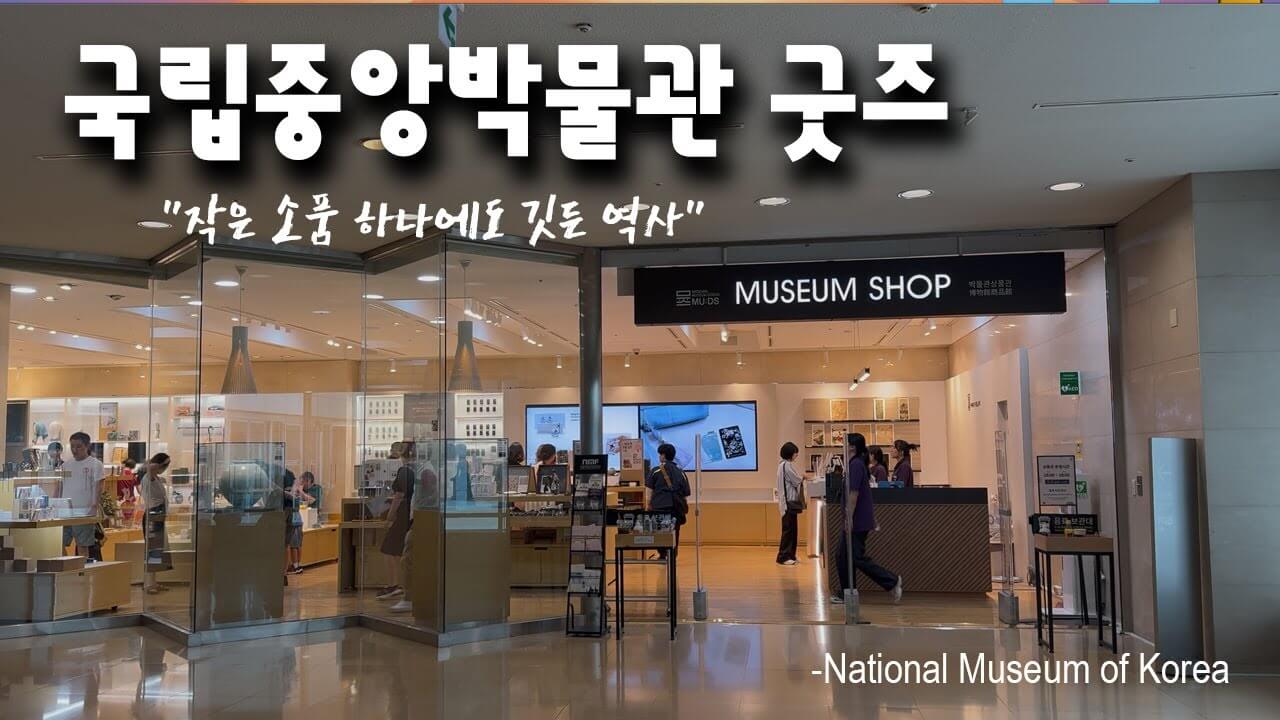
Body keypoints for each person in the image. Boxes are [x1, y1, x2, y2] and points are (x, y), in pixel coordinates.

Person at [834, 433, 903, 604]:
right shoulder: (854, 464)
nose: (843, 446)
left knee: (855, 557)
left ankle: (892, 581)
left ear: (852, 447)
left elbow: (854, 493)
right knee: (842, 555)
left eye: (845, 443)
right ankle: (847, 592)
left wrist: (849, 517)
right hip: (856, 518)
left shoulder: (856, 465)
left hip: (857, 520)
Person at [377, 441, 416, 610]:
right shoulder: (417, 470)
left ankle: (394, 584)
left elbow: (398, 496)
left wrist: (389, 516)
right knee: (399, 550)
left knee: (389, 548)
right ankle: (398, 584)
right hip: (411, 514)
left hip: (403, 514)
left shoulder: (404, 471)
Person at [61, 431, 105, 561]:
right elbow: (60, 486)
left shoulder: (95, 464)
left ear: (87, 446)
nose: (75, 450)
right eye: (72, 446)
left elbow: (99, 486)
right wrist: (55, 504)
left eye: (79, 446)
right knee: (59, 543)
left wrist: (94, 506)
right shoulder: (65, 465)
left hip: (84, 511)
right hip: (65, 512)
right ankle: (66, 566)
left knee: (83, 545)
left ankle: (82, 569)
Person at [644, 443, 691, 560]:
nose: (659, 456)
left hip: (660, 506)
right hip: (676, 507)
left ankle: (662, 554)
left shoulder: (655, 471)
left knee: (659, 531)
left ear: (663, 456)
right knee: (675, 531)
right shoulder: (680, 472)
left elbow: (649, 490)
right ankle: (673, 555)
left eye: (660, 454)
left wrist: (648, 504)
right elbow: (685, 493)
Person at [138, 453, 172, 594]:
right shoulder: (149, 476)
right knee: (152, 551)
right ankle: (149, 584)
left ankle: (153, 582)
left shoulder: (154, 477)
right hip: (153, 516)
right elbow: (150, 467)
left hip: (157, 515)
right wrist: (159, 462)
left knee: (156, 551)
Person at [776, 442, 807, 566]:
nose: (796, 455)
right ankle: (783, 557)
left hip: (787, 503)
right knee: (788, 531)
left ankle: (791, 555)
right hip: (788, 503)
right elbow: (796, 480)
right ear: (790, 453)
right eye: (795, 453)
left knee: (792, 530)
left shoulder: (782, 465)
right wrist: (803, 477)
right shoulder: (786, 465)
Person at [283, 469, 304, 577]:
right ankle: (288, 570)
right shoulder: (290, 474)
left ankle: (292, 567)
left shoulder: (280, 474)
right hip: (293, 514)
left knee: (289, 544)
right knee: (288, 544)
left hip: (286, 512)